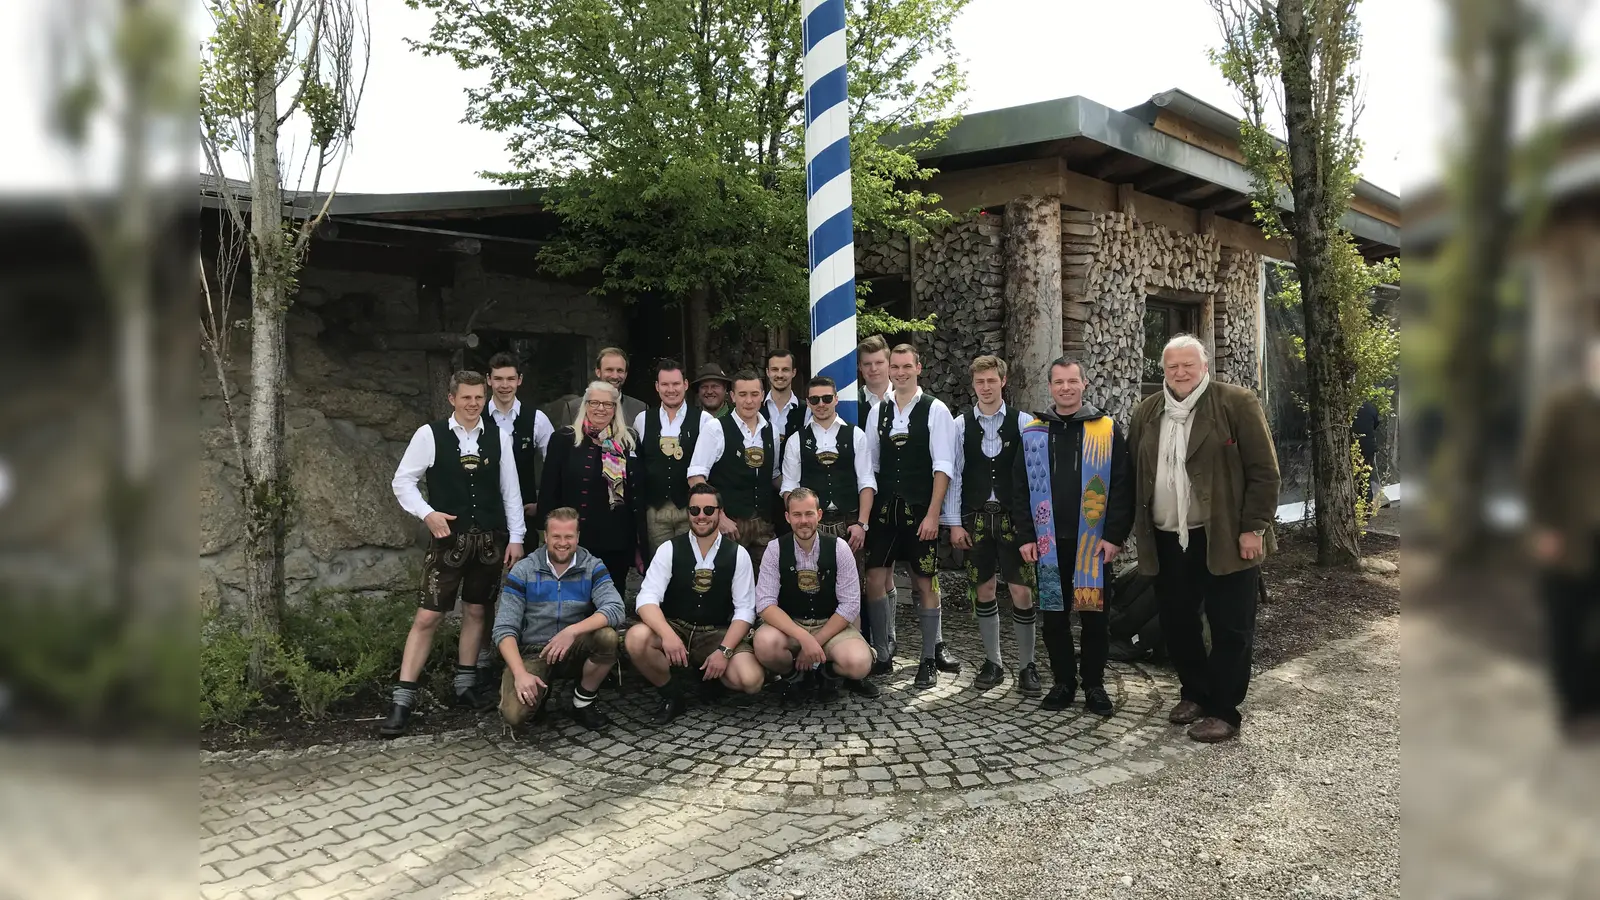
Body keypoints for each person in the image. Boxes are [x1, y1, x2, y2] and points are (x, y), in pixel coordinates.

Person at [1128, 334, 1281, 743]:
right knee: (1178, 623)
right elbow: (1132, 476)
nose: (1179, 373)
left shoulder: (1235, 403)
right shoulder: (1148, 412)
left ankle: (1224, 710)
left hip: (1224, 537)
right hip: (1166, 538)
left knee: (1231, 625)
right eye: (1172, 366)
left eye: (1187, 365)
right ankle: (1195, 692)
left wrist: (1254, 528)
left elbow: (1264, 472)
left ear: (1204, 367)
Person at [383, 370, 527, 738]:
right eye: (466, 397)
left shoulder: (498, 435)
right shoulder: (430, 435)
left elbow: (510, 489)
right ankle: (402, 700)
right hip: (449, 541)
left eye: (479, 397)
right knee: (428, 616)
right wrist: (427, 513)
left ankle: (465, 685)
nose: (473, 403)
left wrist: (517, 537)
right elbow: (402, 481)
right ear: (452, 399)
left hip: (491, 540)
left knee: (477, 611)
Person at [1012, 359, 1134, 716]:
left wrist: (1113, 536)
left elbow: (1123, 485)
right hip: (1049, 543)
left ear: (1084, 384)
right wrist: (1025, 535)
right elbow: (1020, 488)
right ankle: (1063, 681)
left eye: (1072, 381)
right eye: (1058, 382)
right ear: (1050, 386)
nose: (1065, 388)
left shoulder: (1106, 429)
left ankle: (1094, 685)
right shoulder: (1034, 432)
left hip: (1091, 543)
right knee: (1054, 616)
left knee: (1095, 617)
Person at [625, 484, 766, 724]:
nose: (701, 516)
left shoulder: (738, 554)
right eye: (694, 510)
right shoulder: (669, 548)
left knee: (751, 680)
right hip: (676, 627)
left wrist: (724, 651)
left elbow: (745, 610)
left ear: (721, 513)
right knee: (636, 639)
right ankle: (672, 694)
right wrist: (667, 635)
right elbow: (646, 599)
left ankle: (708, 676)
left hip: (715, 633)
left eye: (709, 510)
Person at [863, 343, 962, 688]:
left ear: (919, 368)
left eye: (907, 366)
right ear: (889, 370)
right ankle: (883, 654)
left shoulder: (936, 410)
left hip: (921, 510)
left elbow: (944, 466)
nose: (900, 372)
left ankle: (927, 658)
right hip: (885, 510)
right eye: (896, 367)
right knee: (875, 578)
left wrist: (934, 515)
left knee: (923, 582)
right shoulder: (878, 411)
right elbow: (872, 465)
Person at [947, 355, 1041, 696]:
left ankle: (1027, 665)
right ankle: (993, 661)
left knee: (1022, 591)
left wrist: (1032, 528)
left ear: (1003, 380)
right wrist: (955, 524)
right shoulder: (960, 425)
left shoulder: (1024, 422)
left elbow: (1034, 479)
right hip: (976, 520)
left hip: (1013, 520)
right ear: (973, 385)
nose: (985, 387)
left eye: (991, 380)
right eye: (979, 382)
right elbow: (954, 476)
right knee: (983, 589)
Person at [780, 376, 880, 697]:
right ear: (807, 402)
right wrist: (801, 526)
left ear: (837, 398)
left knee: (855, 592)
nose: (821, 405)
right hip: (812, 525)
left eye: (826, 398)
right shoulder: (797, 440)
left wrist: (862, 524)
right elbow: (789, 488)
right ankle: (812, 664)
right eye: (814, 400)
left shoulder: (856, 435)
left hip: (849, 522)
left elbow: (866, 481)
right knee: (811, 588)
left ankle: (853, 669)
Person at [1522, 337, 1600, 741]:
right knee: (1567, 620)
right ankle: (1574, 704)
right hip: (1571, 533)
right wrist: (1546, 526)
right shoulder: (1564, 408)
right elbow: (1537, 469)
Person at [492, 507, 625, 731]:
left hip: (574, 647)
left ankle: (582, 701)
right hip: (534, 651)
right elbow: (504, 629)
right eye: (556, 536)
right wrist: (520, 673)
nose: (562, 543)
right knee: (514, 715)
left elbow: (616, 608)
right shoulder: (524, 570)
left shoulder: (592, 566)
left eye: (569, 537)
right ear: (546, 536)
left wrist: (572, 631)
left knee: (607, 637)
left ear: (577, 537)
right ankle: (540, 697)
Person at [753, 488, 875, 698]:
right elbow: (765, 604)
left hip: (830, 625)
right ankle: (795, 677)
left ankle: (827, 674)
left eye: (809, 514)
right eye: (797, 515)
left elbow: (850, 604)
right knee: (764, 644)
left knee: (858, 664)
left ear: (819, 515)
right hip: (792, 625)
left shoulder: (840, 548)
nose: (803, 521)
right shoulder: (775, 549)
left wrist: (816, 640)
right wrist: (803, 637)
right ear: (787, 517)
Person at [538, 380, 644, 609]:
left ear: (616, 409)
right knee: (572, 604)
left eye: (608, 404)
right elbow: (549, 490)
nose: (601, 409)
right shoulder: (564, 439)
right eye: (594, 402)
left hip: (615, 540)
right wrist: (547, 534)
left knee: (610, 603)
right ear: (585, 405)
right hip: (574, 538)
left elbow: (637, 491)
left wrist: (637, 539)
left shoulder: (629, 441)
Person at [688, 370, 781, 559]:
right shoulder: (715, 428)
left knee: (766, 583)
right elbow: (696, 477)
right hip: (729, 525)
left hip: (763, 524)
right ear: (732, 396)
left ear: (762, 396)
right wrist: (718, 516)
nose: (749, 401)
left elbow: (773, 476)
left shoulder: (772, 431)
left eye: (754, 394)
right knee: (727, 584)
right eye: (743, 394)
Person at [633, 360, 718, 557]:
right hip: (656, 511)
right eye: (665, 384)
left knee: (691, 564)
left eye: (676, 384)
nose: (671, 389)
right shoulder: (642, 420)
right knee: (659, 566)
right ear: (657, 387)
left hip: (692, 510)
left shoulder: (705, 421)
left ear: (686, 385)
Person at [855, 333, 897, 655]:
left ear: (889, 363)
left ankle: (889, 634)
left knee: (889, 569)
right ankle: (871, 638)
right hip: (864, 495)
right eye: (867, 364)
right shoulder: (849, 403)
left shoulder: (906, 400)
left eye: (879, 362)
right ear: (860, 367)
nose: (873, 369)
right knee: (871, 569)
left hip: (898, 495)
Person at [549, 347, 647, 427]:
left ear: (626, 374)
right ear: (598, 372)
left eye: (620, 371)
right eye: (609, 370)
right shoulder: (573, 408)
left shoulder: (640, 409)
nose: (615, 376)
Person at [761, 349, 807, 459]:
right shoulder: (756, 409)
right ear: (768, 372)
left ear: (794, 372)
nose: (780, 375)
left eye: (785, 370)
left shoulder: (807, 410)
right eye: (775, 369)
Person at [1352, 399, 1382, 506]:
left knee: (1354, 477)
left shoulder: (1349, 408)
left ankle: (1359, 505)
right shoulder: (1370, 407)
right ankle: (1366, 505)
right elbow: (1376, 423)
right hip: (1368, 447)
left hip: (1353, 446)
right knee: (1365, 477)